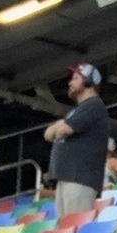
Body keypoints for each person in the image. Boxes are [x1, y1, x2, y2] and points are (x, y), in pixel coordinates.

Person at [44, 63, 110, 220]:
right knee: (64, 229)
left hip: (80, 179)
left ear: (88, 81)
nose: (70, 82)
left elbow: (63, 130)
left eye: (75, 78)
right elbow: (47, 134)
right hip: (67, 178)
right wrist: (58, 127)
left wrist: (59, 126)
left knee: (76, 227)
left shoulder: (93, 105)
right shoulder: (77, 110)